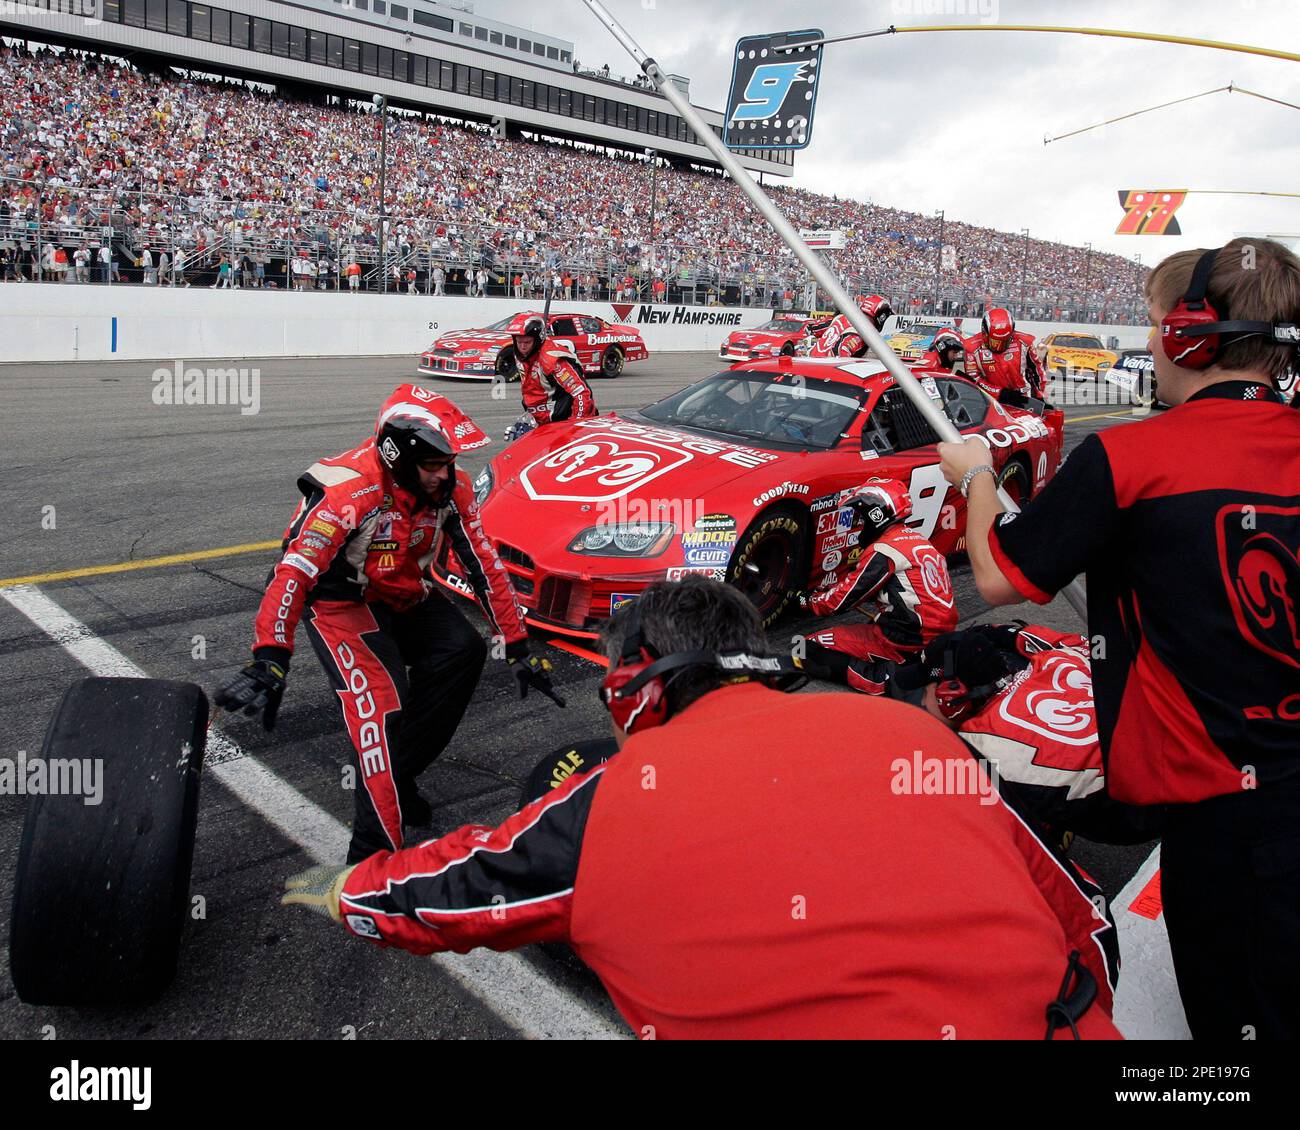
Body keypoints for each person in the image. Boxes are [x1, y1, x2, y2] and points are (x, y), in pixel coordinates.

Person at [281, 577, 1120, 1039]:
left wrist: (344, 892)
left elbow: (450, 891)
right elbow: (1079, 907)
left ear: (639, 673)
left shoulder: (604, 807)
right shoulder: (914, 735)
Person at [937, 238, 1300, 1040]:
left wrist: (975, 479)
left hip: (1224, 821)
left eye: (1154, 326)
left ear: (1190, 338)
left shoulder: (1131, 457)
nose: (1147, 347)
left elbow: (997, 576)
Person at [215, 385, 562, 863]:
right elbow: (292, 572)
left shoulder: (452, 486)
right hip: (340, 600)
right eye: (434, 465)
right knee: (381, 704)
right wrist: (271, 656)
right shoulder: (347, 491)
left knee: (462, 650)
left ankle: (393, 777)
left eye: (449, 462)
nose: (447, 475)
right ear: (399, 458)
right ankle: (371, 856)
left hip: (402, 590)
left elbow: (484, 564)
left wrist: (518, 643)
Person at [896, 622, 1155, 849]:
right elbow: (1033, 636)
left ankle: (1045, 846)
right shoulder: (1057, 658)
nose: (923, 700)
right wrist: (995, 634)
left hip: (1139, 812)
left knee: (957, 819)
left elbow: (912, 782)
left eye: (927, 691)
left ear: (949, 697)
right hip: (1169, 754)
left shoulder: (979, 746)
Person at [799, 478, 957, 695]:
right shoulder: (918, 540)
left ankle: (885, 679)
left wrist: (808, 601)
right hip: (935, 634)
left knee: (803, 648)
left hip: (906, 639)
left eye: (862, 518)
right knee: (863, 627)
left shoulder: (884, 549)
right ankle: (919, 664)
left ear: (877, 515)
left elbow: (842, 600)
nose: (861, 525)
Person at [510, 315, 597, 433]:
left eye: (527, 342)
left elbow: (582, 393)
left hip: (564, 422)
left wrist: (575, 426)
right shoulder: (520, 355)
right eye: (518, 342)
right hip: (540, 420)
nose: (522, 347)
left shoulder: (552, 360)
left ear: (537, 339)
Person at [962, 308, 1045, 402]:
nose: (999, 347)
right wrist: (1000, 393)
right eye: (995, 342)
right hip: (988, 399)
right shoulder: (972, 348)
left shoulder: (1024, 343)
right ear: (985, 333)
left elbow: (1036, 370)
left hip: (1021, 397)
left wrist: (1039, 395)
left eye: (1005, 342)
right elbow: (973, 378)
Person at [809, 294, 892, 359]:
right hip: (827, 372)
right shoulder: (860, 332)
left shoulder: (842, 317)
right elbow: (840, 351)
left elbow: (814, 327)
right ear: (881, 317)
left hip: (811, 362)